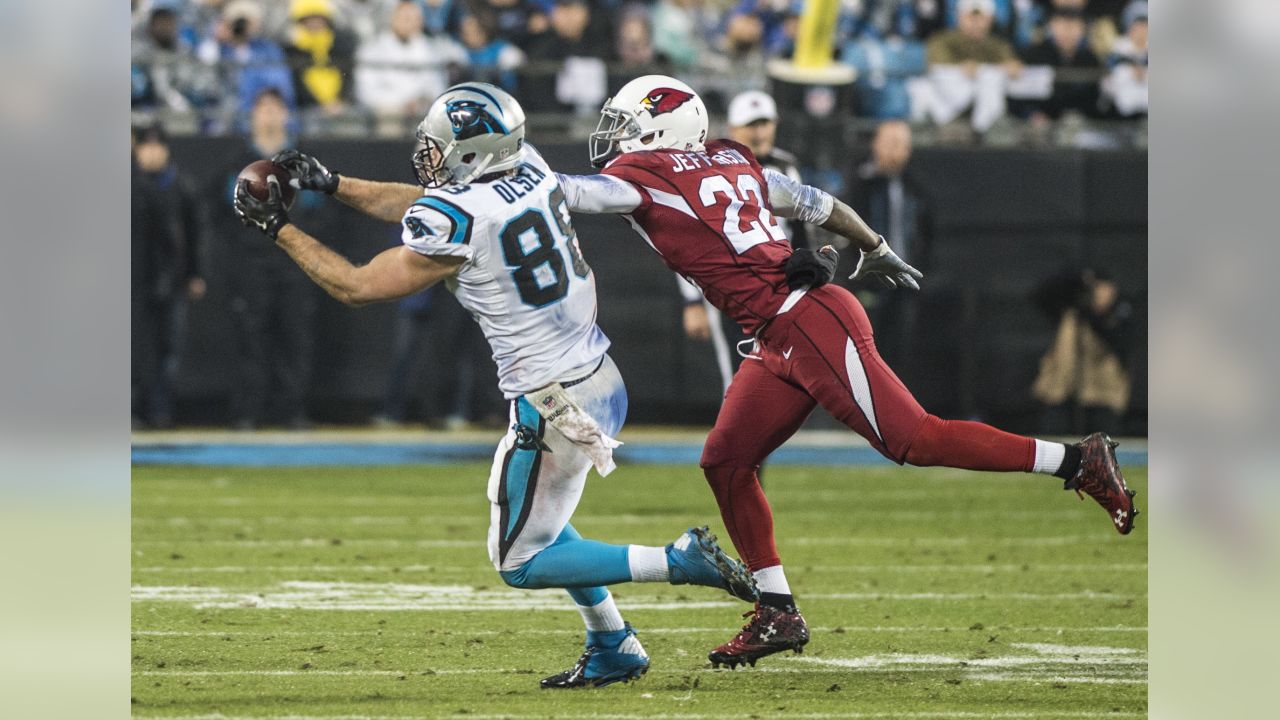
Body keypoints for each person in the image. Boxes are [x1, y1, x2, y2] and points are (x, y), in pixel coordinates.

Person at [554, 73, 1139, 669]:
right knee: (726, 461)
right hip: (780, 330)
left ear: (663, 129)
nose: (617, 137)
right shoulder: (731, 160)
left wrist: (492, 182)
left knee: (915, 439)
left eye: (627, 124)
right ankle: (778, 610)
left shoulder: (648, 176)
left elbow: (568, 194)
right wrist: (876, 246)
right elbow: (819, 203)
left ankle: (1077, 460)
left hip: (804, 321)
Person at [232, 82, 758, 687]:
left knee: (518, 559)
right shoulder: (528, 166)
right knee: (543, 520)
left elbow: (358, 285)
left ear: (474, 152)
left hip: (552, 399)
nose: (429, 151)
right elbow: (431, 205)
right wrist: (334, 184)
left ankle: (676, 561)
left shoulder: (461, 216)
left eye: (442, 143)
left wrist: (278, 229)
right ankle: (612, 641)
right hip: (599, 376)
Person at [681, 90, 812, 395]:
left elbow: (801, 230)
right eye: (752, 124)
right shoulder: (706, 168)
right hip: (729, 283)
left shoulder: (786, 166)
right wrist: (692, 301)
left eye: (765, 123)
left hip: (778, 285)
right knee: (740, 372)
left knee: (783, 370)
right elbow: (689, 240)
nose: (760, 132)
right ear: (733, 129)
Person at [220, 88, 320, 429]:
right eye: (262, 108)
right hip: (252, 262)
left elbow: (316, 207)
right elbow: (225, 210)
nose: (269, 115)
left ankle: (291, 409)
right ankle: (247, 410)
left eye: (276, 108)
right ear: (252, 116)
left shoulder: (300, 163)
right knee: (250, 335)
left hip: (293, 260)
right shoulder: (237, 161)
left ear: (286, 115)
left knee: (294, 335)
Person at [130, 123, 207, 428]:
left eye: (156, 145)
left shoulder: (180, 187)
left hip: (170, 280)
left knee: (168, 348)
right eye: (144, 146)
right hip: (133, 280)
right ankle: (132, 409)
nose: (150, 153)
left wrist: (194, 274)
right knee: (132, 347)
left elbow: (194, 234)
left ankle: (160, 409)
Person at [847, 119, 931, 367]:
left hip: (904, 285)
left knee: (899, 354)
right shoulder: (860, 184)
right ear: (876, 145)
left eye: (902, 145)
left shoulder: (915, 187)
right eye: (891, 143)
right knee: (865, 353)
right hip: (869, 284)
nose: (897, 151)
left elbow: (926, 233)